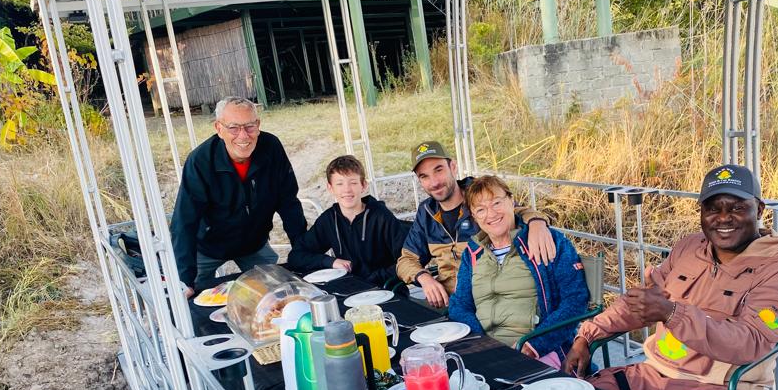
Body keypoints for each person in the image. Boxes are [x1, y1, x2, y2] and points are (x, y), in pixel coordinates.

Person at [562, 164, 778, 390]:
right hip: (654, 373)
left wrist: (672, 314)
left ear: (759, 209)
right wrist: (587, 336)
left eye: (737, 208)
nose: (723, 218)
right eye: (712, 208)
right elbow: (641, 304)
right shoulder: (689, 247)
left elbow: (751, 342)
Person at [171, 97, 307, 296]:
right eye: (233, 128)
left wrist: (303, 251)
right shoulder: (200, 161)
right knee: (193, 297)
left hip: (254, 243)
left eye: (250, 126)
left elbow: (288, 203)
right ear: (219, 128)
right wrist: (184, 279)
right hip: (208, 246)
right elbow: (184, 222)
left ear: (258, 125)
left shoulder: (271, 147)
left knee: (276, 294)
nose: (243, 136)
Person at [395, 141, 557, 308]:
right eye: (424, 176)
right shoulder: (426, 212)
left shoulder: (479, 195)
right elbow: (405, 260)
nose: (434, 182)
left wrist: (537, 222)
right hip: (447, 304)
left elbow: (513, 210)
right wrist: (424, 278)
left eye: (439, 170)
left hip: (487, 302)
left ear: (453, 167)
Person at [448, 176, 590, 365]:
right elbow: (459, 304)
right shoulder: (473, 253)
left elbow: (575, 299)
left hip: (536, 350)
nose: (491, 214)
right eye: (480, 209)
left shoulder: (547, 241)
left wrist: (535, 344)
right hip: (485, 350)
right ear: (474, 217)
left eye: (496, 203)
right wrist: (480, 342)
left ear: (511, 201)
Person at [287, 155, 406, 286]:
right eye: (339, 184)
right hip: (349, 288)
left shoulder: (381, 216)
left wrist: (374, 279)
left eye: (353, 183)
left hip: (386, 288)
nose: (347, 190)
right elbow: (296, 256)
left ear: (363, 185)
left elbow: (407, 261)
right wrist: (330, 262)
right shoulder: (329, 219)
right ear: (330, 188)